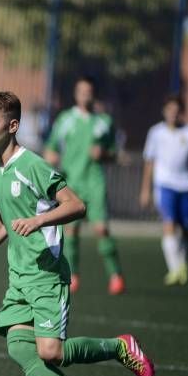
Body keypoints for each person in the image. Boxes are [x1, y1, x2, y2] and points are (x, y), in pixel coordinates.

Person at [0, 91, 154, 376]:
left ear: (13, 125)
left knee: (50, 351)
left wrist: (38, 222)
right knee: (20, 348)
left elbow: (77, 206)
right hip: (18, 278)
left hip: (47, 275)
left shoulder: (32, 165)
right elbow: (4, 219)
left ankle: (120, 347)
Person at [44, 76, 125, 295]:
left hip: (94, 182)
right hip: (71, 183)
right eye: (81, 91)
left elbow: (115, 154)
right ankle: (74, 276)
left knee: (102, 229)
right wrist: (51, 156)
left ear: (93, 94)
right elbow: (50, 147)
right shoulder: (65, 120)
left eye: (88, 92)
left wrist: (105, 153)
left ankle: (116, 275)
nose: (85, 95)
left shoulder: (104, 122)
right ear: (76, 94)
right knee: (71, 231)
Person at [140, 95, 188, 285]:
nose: (173, 113)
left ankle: (183, 265)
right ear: (164, 111)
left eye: (176, 109)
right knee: (169, 224)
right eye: (169, 109)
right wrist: (145, 189)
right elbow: (149, 161)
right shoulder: (156, 133)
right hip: (164, 185)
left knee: (187, 228)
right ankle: (175, 269)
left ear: (181, 111)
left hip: (186, 185)